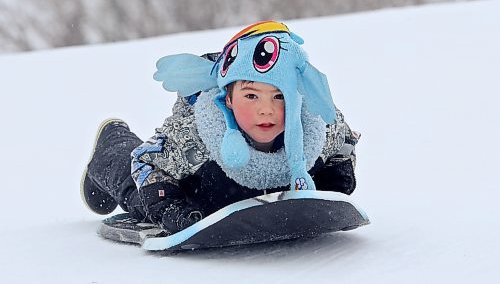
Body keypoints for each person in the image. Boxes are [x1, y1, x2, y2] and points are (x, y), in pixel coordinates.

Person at [81, 21, 360, 234]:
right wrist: (170, 209)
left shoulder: (317, 128)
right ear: (228, 98)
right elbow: (146, 163)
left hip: (245, 188)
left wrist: (335, 179)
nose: (267, 109)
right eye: (251, 96)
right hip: (195, 189)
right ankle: (112, 142)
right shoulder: (194, 137)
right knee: (139, 195)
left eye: (279, 96)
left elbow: (344, 141)